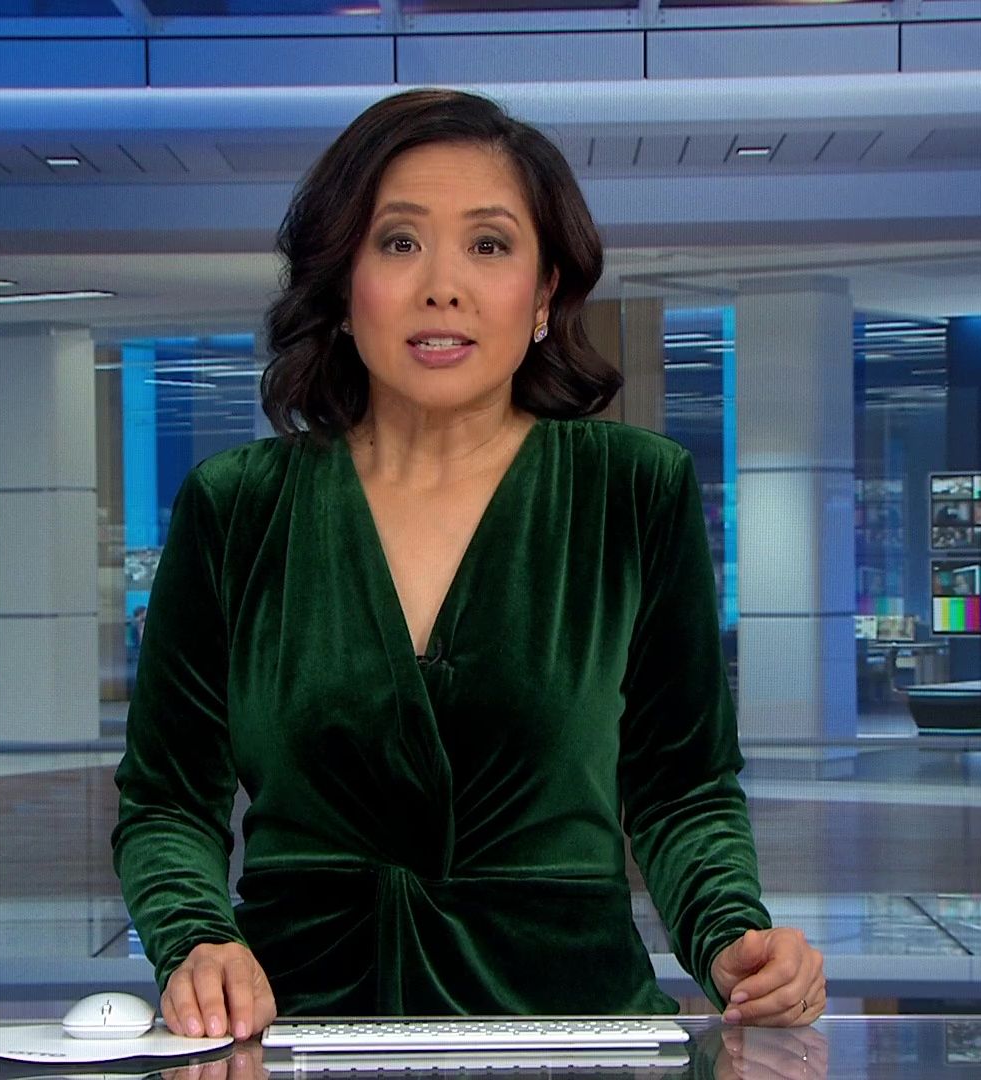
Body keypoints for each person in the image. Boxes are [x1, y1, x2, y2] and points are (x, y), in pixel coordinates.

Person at [112, 88, 823, 1042]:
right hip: (299, 1034)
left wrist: (730, 934)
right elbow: (167, 801)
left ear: (544, 294)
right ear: (342, 280)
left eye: (488, 245)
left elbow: (681, 790)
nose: (442, 286)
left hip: (572, 1033)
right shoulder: (236, 507)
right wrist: (196, 939)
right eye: (399, 242)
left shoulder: (632, 491)